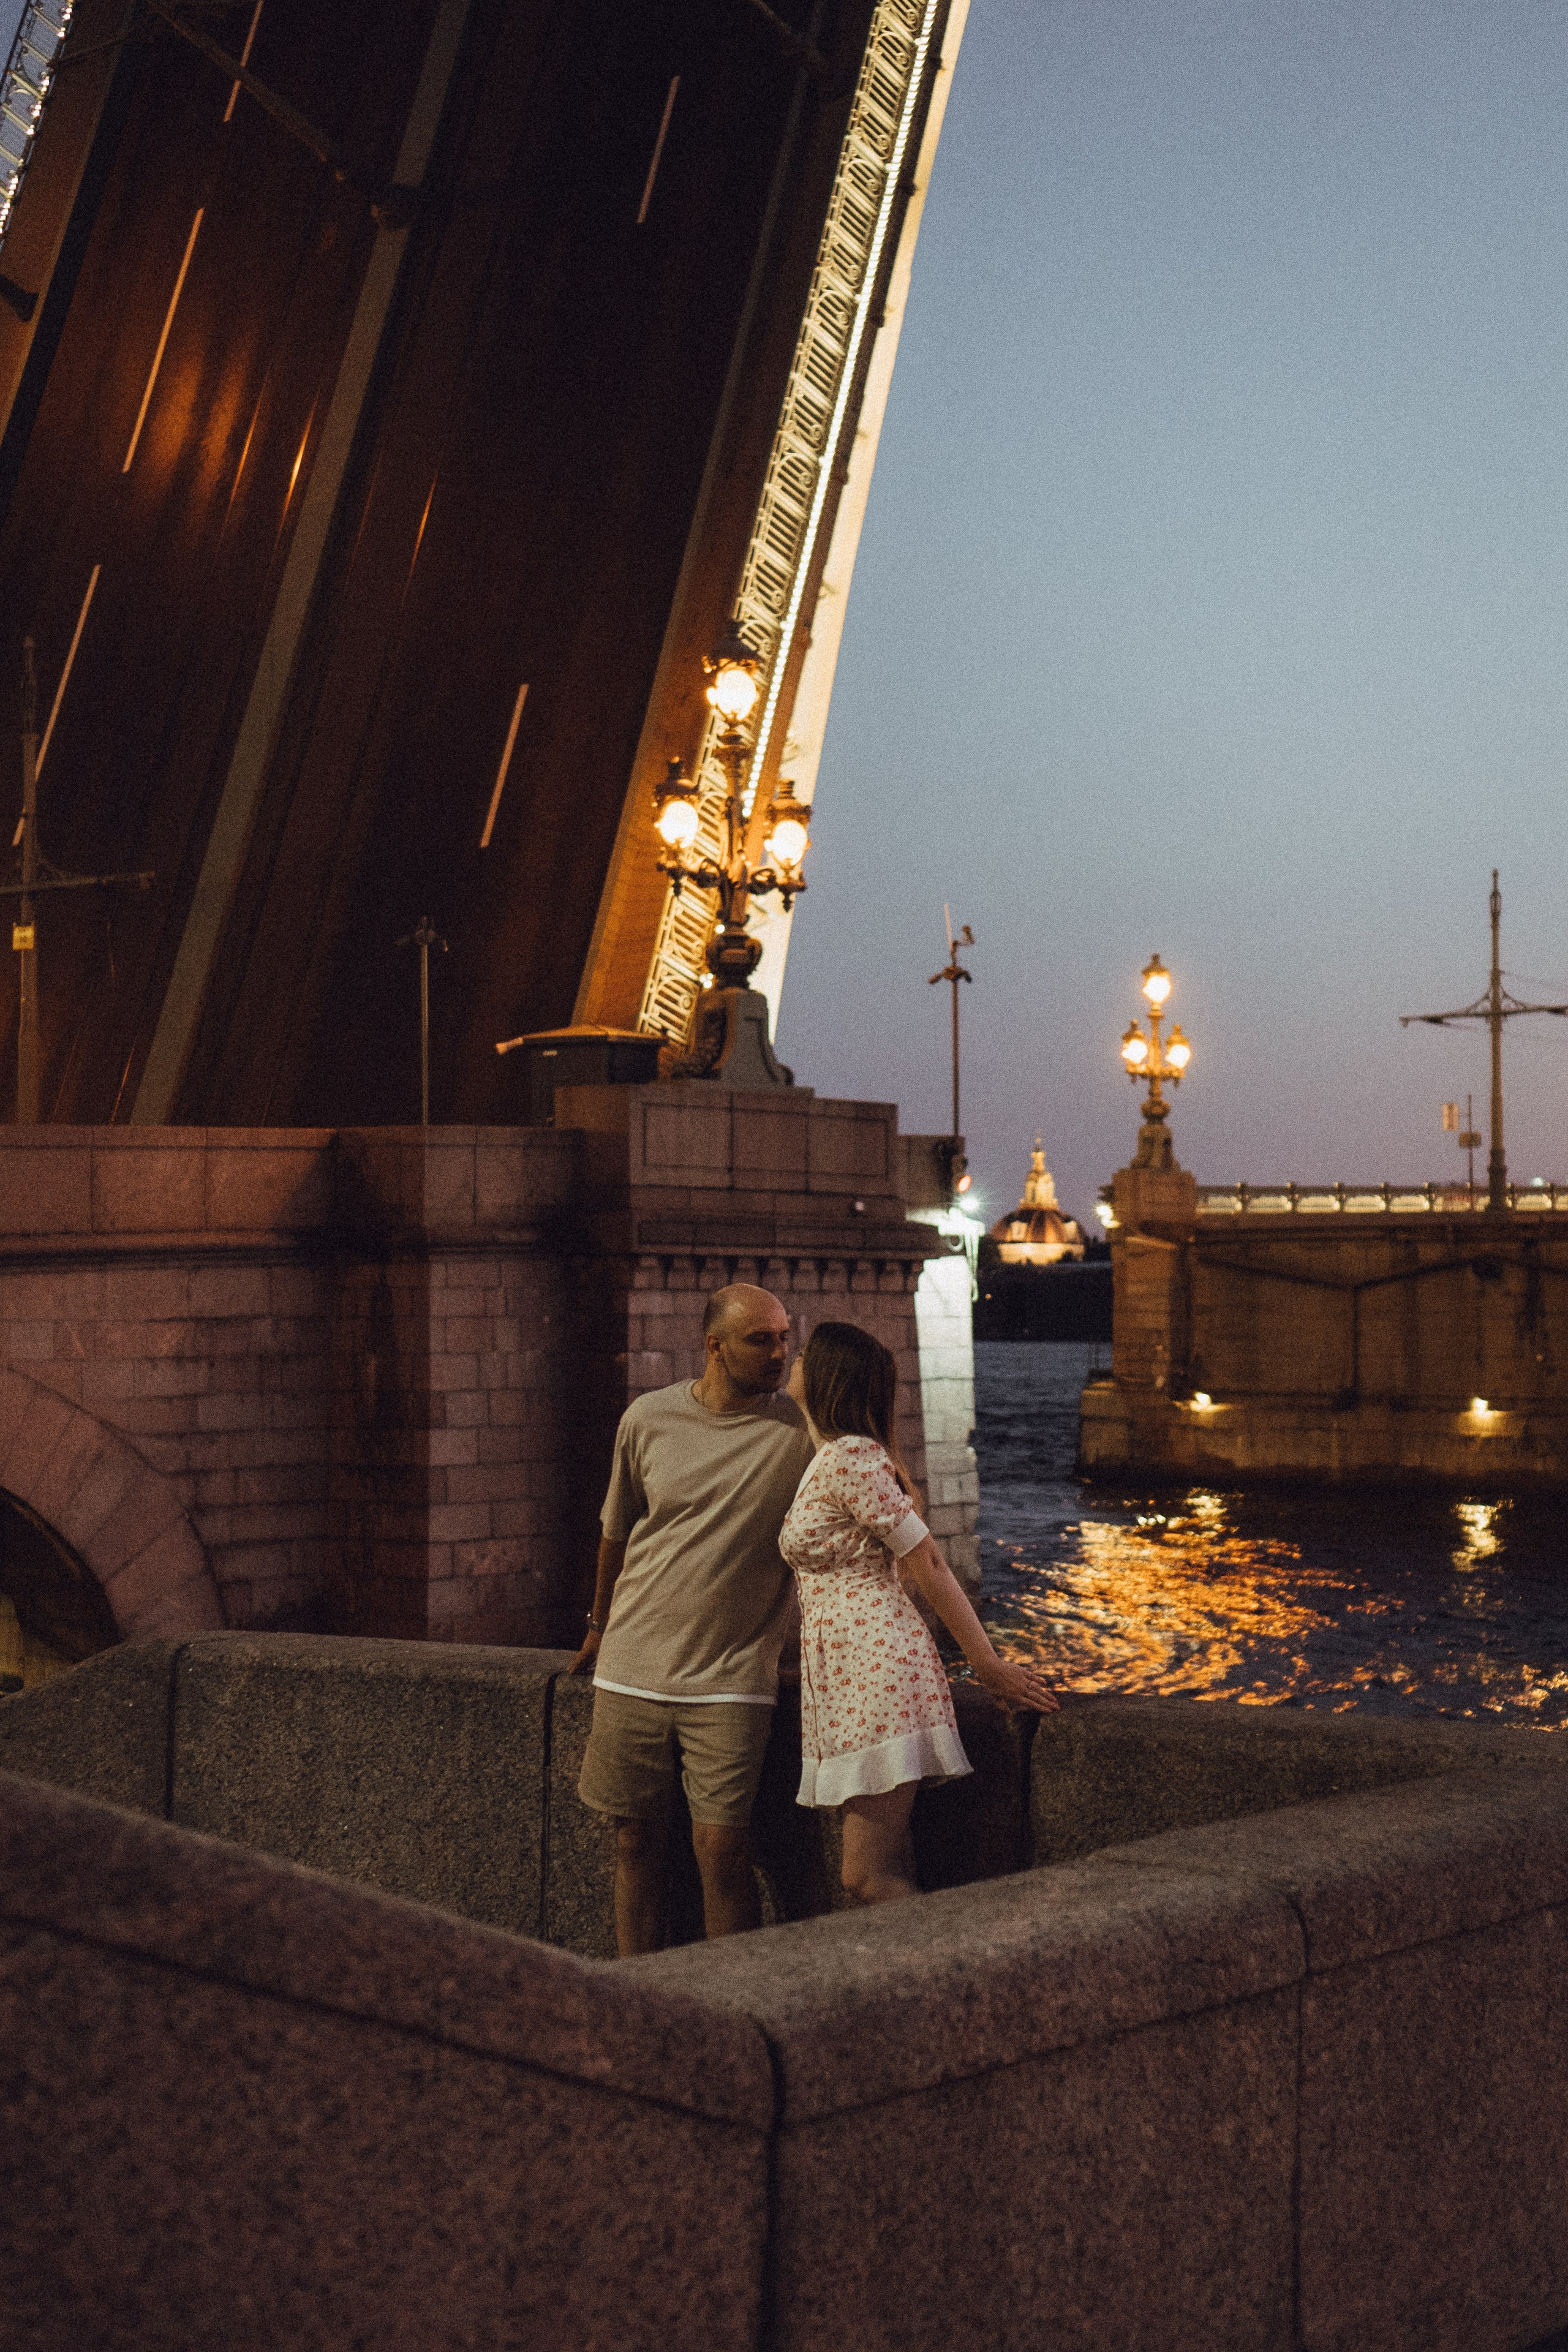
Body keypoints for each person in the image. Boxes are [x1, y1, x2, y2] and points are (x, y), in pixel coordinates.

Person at [570, 1283, 813, 1956]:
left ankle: (730, 2004)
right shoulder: (647, 1418)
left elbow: (883, 1497)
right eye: (760, 1339)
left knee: (723, 1851)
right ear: (714, 1346)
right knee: (633, 1840)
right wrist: (598, 1623)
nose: (779, 1352)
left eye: (785, 1337)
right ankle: (637, 1994)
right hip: (631, 1667)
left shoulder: (800, 1432)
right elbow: (616, 1530)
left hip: (732, 1678)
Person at [780, 1319, 1058, 1905]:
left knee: (865, 1876)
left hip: (876, 1670)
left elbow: (928, 1560)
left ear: (827, 1375)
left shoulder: (849, 1459)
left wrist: (985, 1664)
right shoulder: (832, 1458)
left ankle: (947, 1978)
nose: (793, 1360)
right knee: (893, 1860)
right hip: (849, 1674)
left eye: (804, 1353)